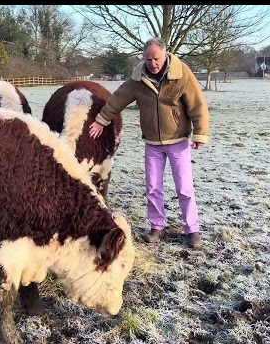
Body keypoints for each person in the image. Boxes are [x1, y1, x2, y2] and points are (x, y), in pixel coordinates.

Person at [88, 37, 209, 248]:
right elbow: (118, 99)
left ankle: (192, 229)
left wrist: (200, 134)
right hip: (152, 143)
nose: (152, 63)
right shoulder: (138, 78)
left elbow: (197, 104)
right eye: (148, 59)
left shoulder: (181, 74)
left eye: (156, 58)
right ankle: (156, 227)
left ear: (165, 54)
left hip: (178, 141)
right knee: (153, 187)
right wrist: (101, 120)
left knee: (184, 188)